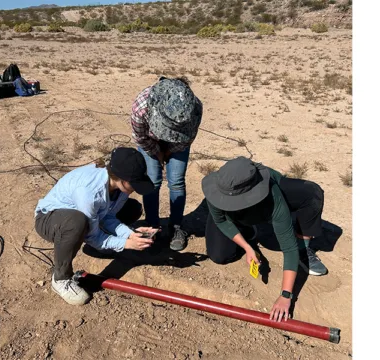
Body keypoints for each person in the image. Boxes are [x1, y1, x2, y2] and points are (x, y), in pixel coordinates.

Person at [201, 157, 328, 322]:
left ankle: (304, 249)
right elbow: (221, 220)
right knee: (219, 255)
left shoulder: (273, 197)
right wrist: (247, 247)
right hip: (237, 214)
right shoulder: (217, 190)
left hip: (265, 199)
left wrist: (286, 295)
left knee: (311, 193)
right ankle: (248, 228)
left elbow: (289, 249)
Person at [33, 147, 158, 305]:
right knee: (77, 222)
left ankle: (98, 249)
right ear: (121, 179)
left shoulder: (120, 188)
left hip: (82, 218)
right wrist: (127, 244)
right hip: (50, 219)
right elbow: (93, 236)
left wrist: (130, 234)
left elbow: (108, 216)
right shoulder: (89, 193)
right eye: (134, 183)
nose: (135, 188)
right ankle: (60, 278)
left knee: (133, 208)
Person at [129, 77, 203, 251]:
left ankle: (176, 226)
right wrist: (157, 153)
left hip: (179, 143)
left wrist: (168, 153)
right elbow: (141, 138)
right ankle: (152, 225)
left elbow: (187, 140)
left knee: (176, 181)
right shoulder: (141, 107)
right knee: (152, 181)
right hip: (149, 141)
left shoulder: (195, 108)